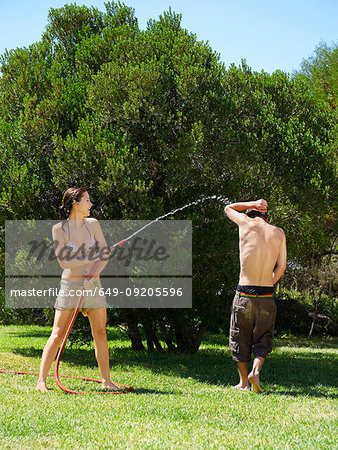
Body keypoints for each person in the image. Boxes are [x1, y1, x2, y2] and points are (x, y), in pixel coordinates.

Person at [35, 187, 119, 392]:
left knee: (100, 332)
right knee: (57, 334)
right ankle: (41, 382)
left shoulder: (93, 225)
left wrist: (94, 275)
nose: (91, 205)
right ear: (75, 203)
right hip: (70, 286)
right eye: (87, 201)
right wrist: (94, 257)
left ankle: (106, 381)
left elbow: (105, 255)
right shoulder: (59, 229)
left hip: (93, 286)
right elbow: (64, 262)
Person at [224, 199, 287, 392]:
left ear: (250, 214)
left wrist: (252, 203)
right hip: (266, 294)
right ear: (266, 217)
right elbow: (282, 266)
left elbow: (228, 208)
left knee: (239, 336)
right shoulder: (278, 233)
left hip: (245, 291)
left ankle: (243, 382)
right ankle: (256, 373)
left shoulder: (245, 223)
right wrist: (268, 285)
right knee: (263, 337)